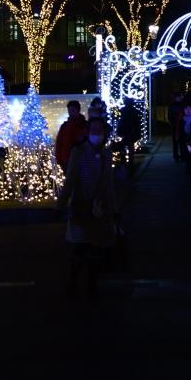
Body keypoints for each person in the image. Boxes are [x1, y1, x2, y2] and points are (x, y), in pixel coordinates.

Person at [57, 116, 118, 297]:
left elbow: (108, 183)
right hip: (82, 207)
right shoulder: (79, 152)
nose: (96, 133)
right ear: (88, 132)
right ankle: (73, 283)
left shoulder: (106, 154)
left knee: (97, 250)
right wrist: (60, 205)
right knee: (81, 248)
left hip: (101, 209)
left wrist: (113, 208)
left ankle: (92, 286)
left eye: (100, 130)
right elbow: (70, 181)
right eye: (93, 130)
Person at [55, 100, 87, 171]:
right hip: (67, 160)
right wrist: (59, 160)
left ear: (78, 110)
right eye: (69, 111)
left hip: (81, 160)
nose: (70, 113)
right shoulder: (64, 126)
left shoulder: (85, 125)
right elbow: (59, 143)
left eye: (72, 110)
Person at [116, 98, 141, 172]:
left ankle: (124, 160)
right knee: (130, 147)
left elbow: (121, 121)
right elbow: (137, 123)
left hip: (125, 131)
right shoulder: (135, 111)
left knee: (123, 146)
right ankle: (130, 163)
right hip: (131, 132)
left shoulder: (123, 110)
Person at [169, 92, 185, 163]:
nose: (181, 98)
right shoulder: (175, 105)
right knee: (177, 142)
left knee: (181, 142)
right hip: (176, 126)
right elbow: (170, 116)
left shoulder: (181, 104)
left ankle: (181, 155)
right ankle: (177, 156)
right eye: (179, 97)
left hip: (179, 126)